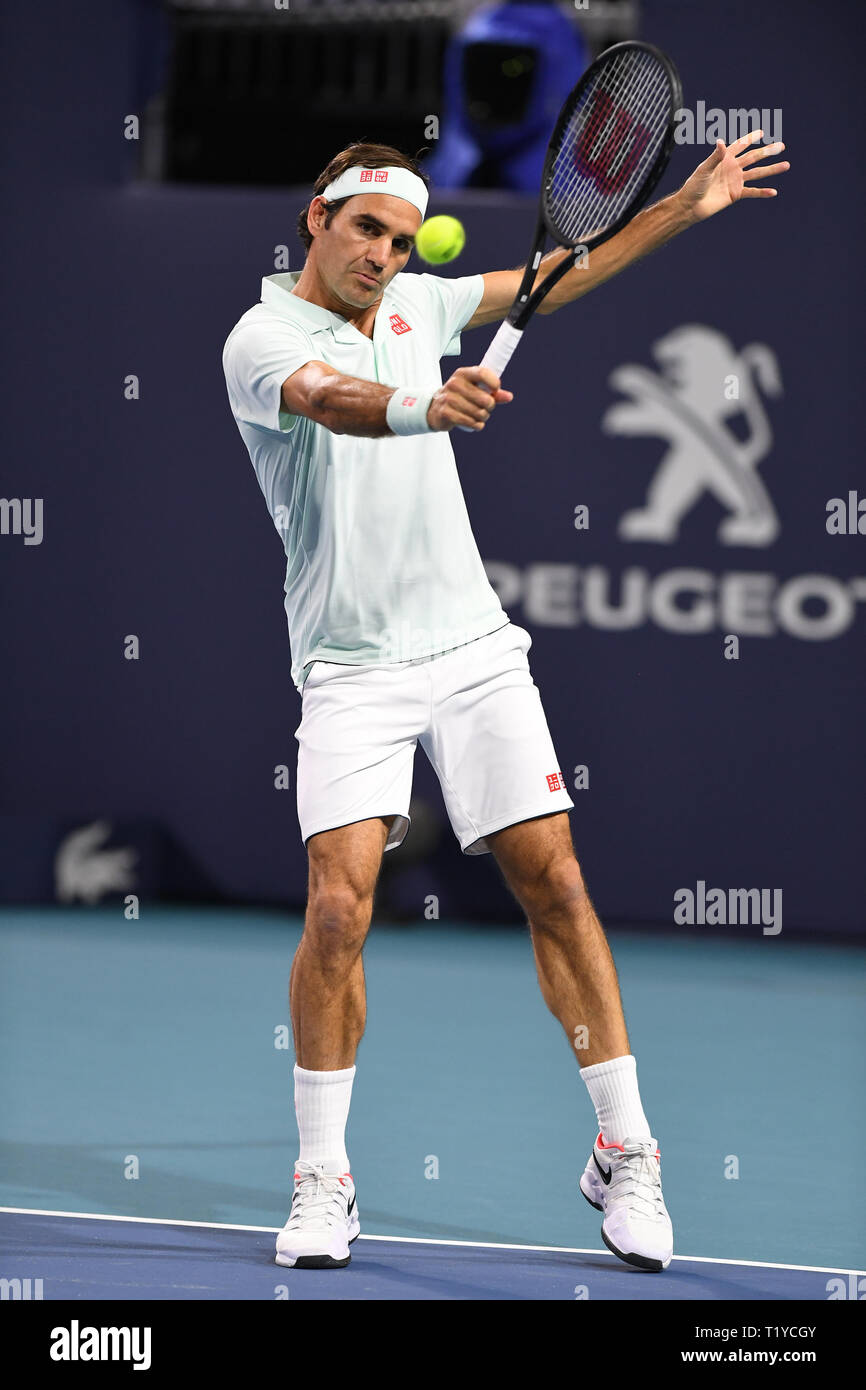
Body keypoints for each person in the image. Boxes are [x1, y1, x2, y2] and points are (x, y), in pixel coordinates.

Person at [222, 131, 789, 1273]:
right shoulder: (262, 336)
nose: (381, 253)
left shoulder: (423, 306)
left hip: (473, 646)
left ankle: (625, 1148)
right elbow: (329, 400)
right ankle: (322, 1177)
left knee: (555, 879)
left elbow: (552, 276)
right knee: (338, 908)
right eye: (363, 229)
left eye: (396, 235)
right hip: (349, 664)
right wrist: (425, 410)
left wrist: (681, 206)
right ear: (315, 221)